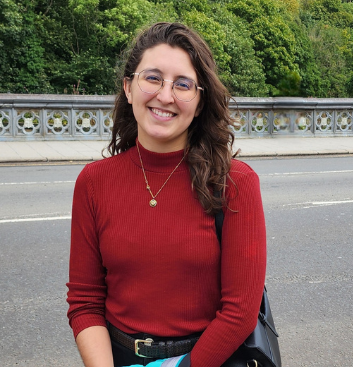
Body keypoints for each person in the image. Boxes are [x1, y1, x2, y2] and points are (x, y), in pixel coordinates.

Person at [67, 23, 267, 367]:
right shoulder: (94, 182)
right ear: (128, 88)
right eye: (153, 78)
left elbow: (240, 312)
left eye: (183, 84)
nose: (165, 95)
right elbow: (85, 301)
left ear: (200, 102)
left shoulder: (236, 182)